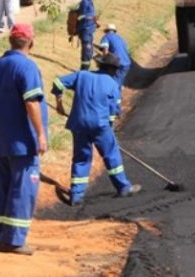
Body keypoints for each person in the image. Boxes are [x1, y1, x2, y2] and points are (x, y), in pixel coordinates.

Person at [0, 23, 48, 255]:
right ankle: (15, 240)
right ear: (31, 42)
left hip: (1, 140)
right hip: (23, 141)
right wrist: (40, 134)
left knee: (4, 188)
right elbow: (31, 102)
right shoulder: (27, 67)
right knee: (23, 188)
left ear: (10, 41)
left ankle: (3, 236)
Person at [51, 52, 141, 206]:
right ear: (114, 69)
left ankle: (76, 195)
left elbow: (58, 83)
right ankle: (123, 187)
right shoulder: (113, 85)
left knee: (81, 159)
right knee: (111, 155)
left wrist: (59, 102)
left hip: (79, 125)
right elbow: (113, 111)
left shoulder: (82, 76)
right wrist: (109, 129)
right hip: (100, 126)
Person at [76, 0, 98, 70]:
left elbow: (90, 15)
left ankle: (87, 69)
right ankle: (84, 70)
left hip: (90, 31)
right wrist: (91, 18)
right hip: (85, 31)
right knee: (86, 52)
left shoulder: (90, 1)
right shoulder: (84, 2)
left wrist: (95, 21)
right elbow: (81, 17)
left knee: (90, 52)